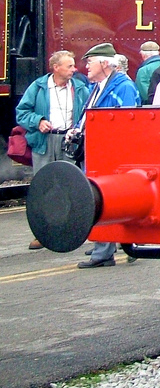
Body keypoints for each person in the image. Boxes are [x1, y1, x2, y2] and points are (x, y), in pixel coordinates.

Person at [15, 50, 90, 249]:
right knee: (43, 187)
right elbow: (21, 112)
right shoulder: (38, 87)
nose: (74, 69)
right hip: (44, 142)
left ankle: (71, 231)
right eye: (69, 66)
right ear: (56, 68)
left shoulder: (80, 88)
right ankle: (42, 234)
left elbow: (88, 114)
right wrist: (38, 121)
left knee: (70, 187)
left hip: (68, 141)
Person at [76, 43, 142, 268]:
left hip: (109, 154)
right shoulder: (98, 86)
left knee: (103, 198)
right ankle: (111, 244)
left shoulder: (123, 87)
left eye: (90, 62)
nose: (86, 66)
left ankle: (105, 251)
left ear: (104, 63)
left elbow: (127, 122)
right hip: (98, 151)